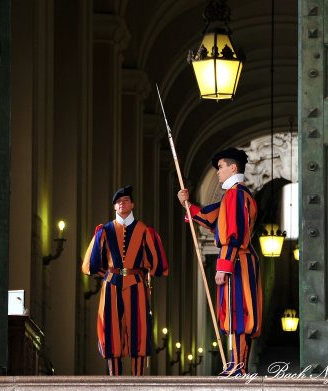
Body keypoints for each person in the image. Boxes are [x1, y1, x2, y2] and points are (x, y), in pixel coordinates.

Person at [177, 147, 262, 376]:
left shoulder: (235, 195)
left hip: (237, 260)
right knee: (236, 313)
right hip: (240, 259)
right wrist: (187, 204)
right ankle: (237, 364)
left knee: (239, 313)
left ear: (233, 168)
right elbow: (210, 217)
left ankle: (239, 366)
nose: (218, 172)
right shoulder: (234, 196)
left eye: (221, 167)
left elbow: (232, 234)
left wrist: (223, 266)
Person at [82, 185, 168, 376]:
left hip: (136, 283)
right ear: (114, 207)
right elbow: (92, 263)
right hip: (112, 283)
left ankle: (137, 379)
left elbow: (156, 263)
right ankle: (115, 380)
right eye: (118, 202)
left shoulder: (144, 230)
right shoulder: (104, 230)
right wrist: (107, 272)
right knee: (111, 330)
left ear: (132, 204)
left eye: (126, 200)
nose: (122, 204)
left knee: (139, 328)